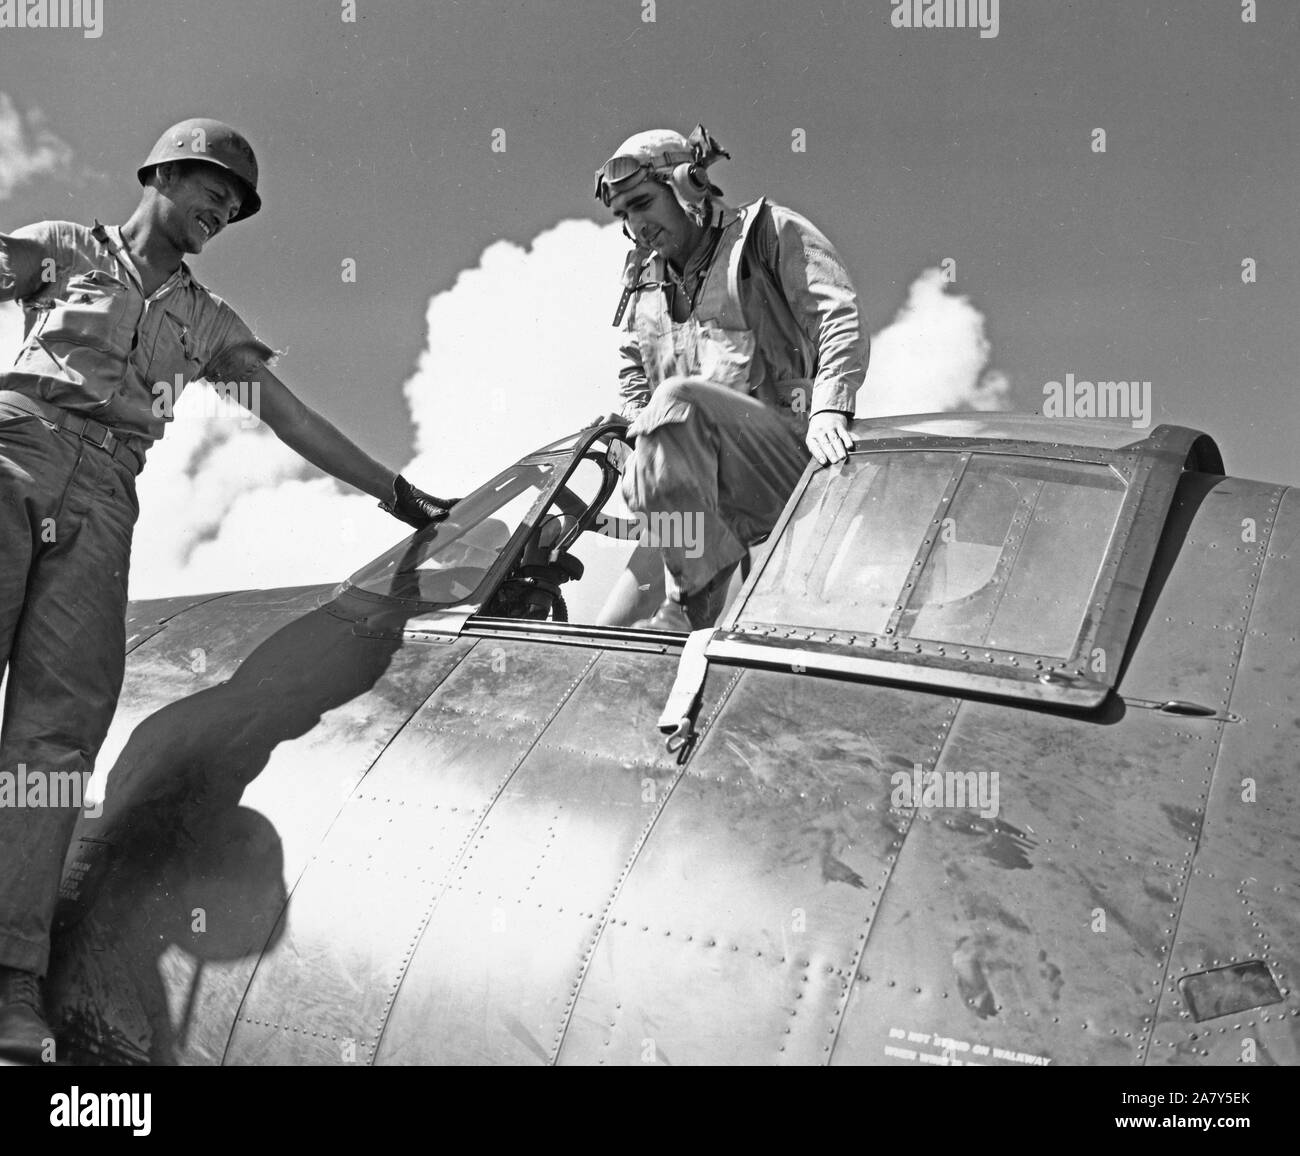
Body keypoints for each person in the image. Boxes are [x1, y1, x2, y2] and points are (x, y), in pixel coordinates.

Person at [0, 118, 452, 1062]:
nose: (225, 210)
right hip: (16, 447)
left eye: (237, 206)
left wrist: (396, 492)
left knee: (56, 734)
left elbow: (287, 415)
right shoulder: (61, 248)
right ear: (161, 171)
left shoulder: (207, 322)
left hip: (107, 496)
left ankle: (8, 979)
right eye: (214, 187)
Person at [592, 124, 870, 631]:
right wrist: (637, 432)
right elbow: (633, 368)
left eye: (642, 202)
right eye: (623, 214)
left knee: (676, 402)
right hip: (700, 491)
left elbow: (837, 314)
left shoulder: (764, 233)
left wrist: (831, 405)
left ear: (687, 183)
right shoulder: (646, 282)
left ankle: (688, 604)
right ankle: (672, 613)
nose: (636, 223)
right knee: (604, 637)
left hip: (787, 458)